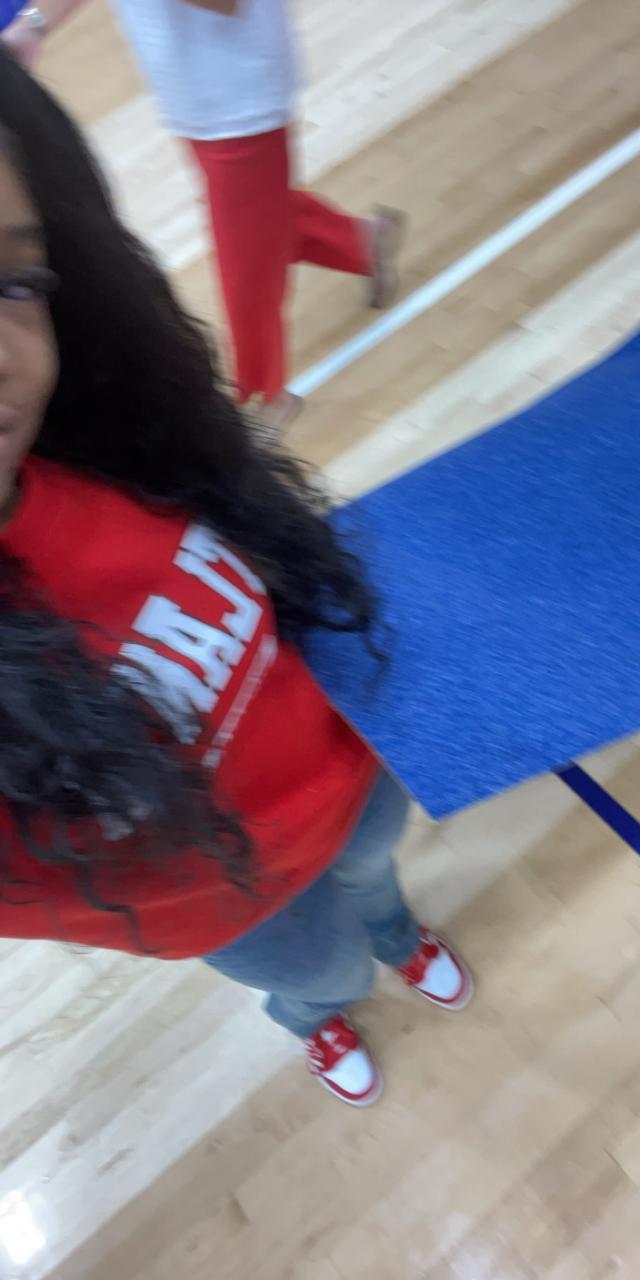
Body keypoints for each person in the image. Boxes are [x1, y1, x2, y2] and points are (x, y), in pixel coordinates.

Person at [0, 52, 470, 1107]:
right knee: (325, 972)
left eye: (12, 282)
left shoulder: (102, 456)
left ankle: (397, 933)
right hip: (244, 906)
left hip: (355, 772)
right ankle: (316, 1015)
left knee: (377, 879)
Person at [3, 0, 406, 434]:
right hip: (195, 93)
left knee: (245, 264)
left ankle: (263, 397)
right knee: (257, 227)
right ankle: (360, 243)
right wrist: (34, 26)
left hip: (239, 95)